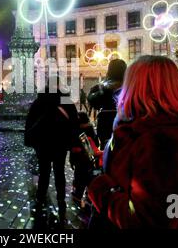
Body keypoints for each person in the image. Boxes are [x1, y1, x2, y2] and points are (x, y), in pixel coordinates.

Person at [88, 56, 178, 229]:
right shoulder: (144, 128)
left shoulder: (163, 141)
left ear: (138, 87)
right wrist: (106, 158)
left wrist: (100, 188)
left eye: (129, 82)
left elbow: (150, 221)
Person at [24, 78, 78, 225]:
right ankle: (61, 198)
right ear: (58, 85)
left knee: (44, 171)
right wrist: (73, 143)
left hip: (43, 143)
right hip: (60, 143)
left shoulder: (39, 100)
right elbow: (74, 122)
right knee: (59, 171)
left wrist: (30, 141)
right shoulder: (65, 100)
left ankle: (40, 198)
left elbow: (30, 121)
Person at [88, 59, 127, 149]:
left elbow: (92, 101)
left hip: (105, 122)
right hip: (125, 121)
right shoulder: (130, 86)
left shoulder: (101, 87)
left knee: (106, 148)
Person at [70, 112, 102, 205]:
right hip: (90, 160)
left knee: (79, 179)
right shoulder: (90, 129)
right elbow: (96, 143)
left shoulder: (77, 131)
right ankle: (89, 196)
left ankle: (77, 196)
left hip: (80, 161)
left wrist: (72, 161)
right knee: (89, 178)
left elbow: (73, 148)